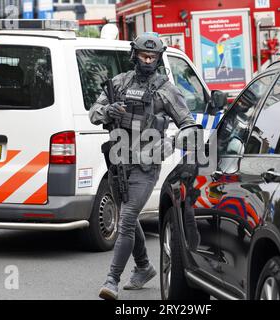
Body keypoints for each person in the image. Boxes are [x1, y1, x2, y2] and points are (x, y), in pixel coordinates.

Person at [89, 32, 196, 300]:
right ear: (134, 55)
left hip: (146, 166)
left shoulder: (166, 89)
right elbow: (93, 113)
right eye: (143, 55)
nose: (147, 60)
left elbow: (190, 127)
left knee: (125, 220)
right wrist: (108, 111)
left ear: (159, 59)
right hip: (117, 162)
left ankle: (111, 281)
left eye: (152, 56)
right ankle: (144, 266)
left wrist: (166, 147)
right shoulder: (119, 83)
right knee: (128, 214)